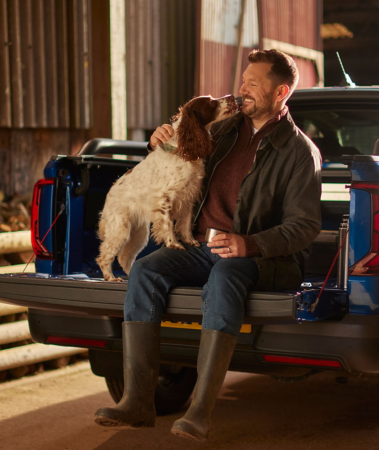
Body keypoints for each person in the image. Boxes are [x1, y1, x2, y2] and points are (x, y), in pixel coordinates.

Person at [94, 49, 322, 441]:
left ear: (281, 91)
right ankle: (138, 402)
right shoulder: (223, 131)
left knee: (226, 274)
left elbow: (304, 227)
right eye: (243, 81)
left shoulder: (300, 152)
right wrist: (160, 140)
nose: (242, 90)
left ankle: (200, 410)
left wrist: (248, 243)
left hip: (263, 256)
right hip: (201, 246)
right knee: (147, 269)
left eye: (253, 84)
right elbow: (176, 159)